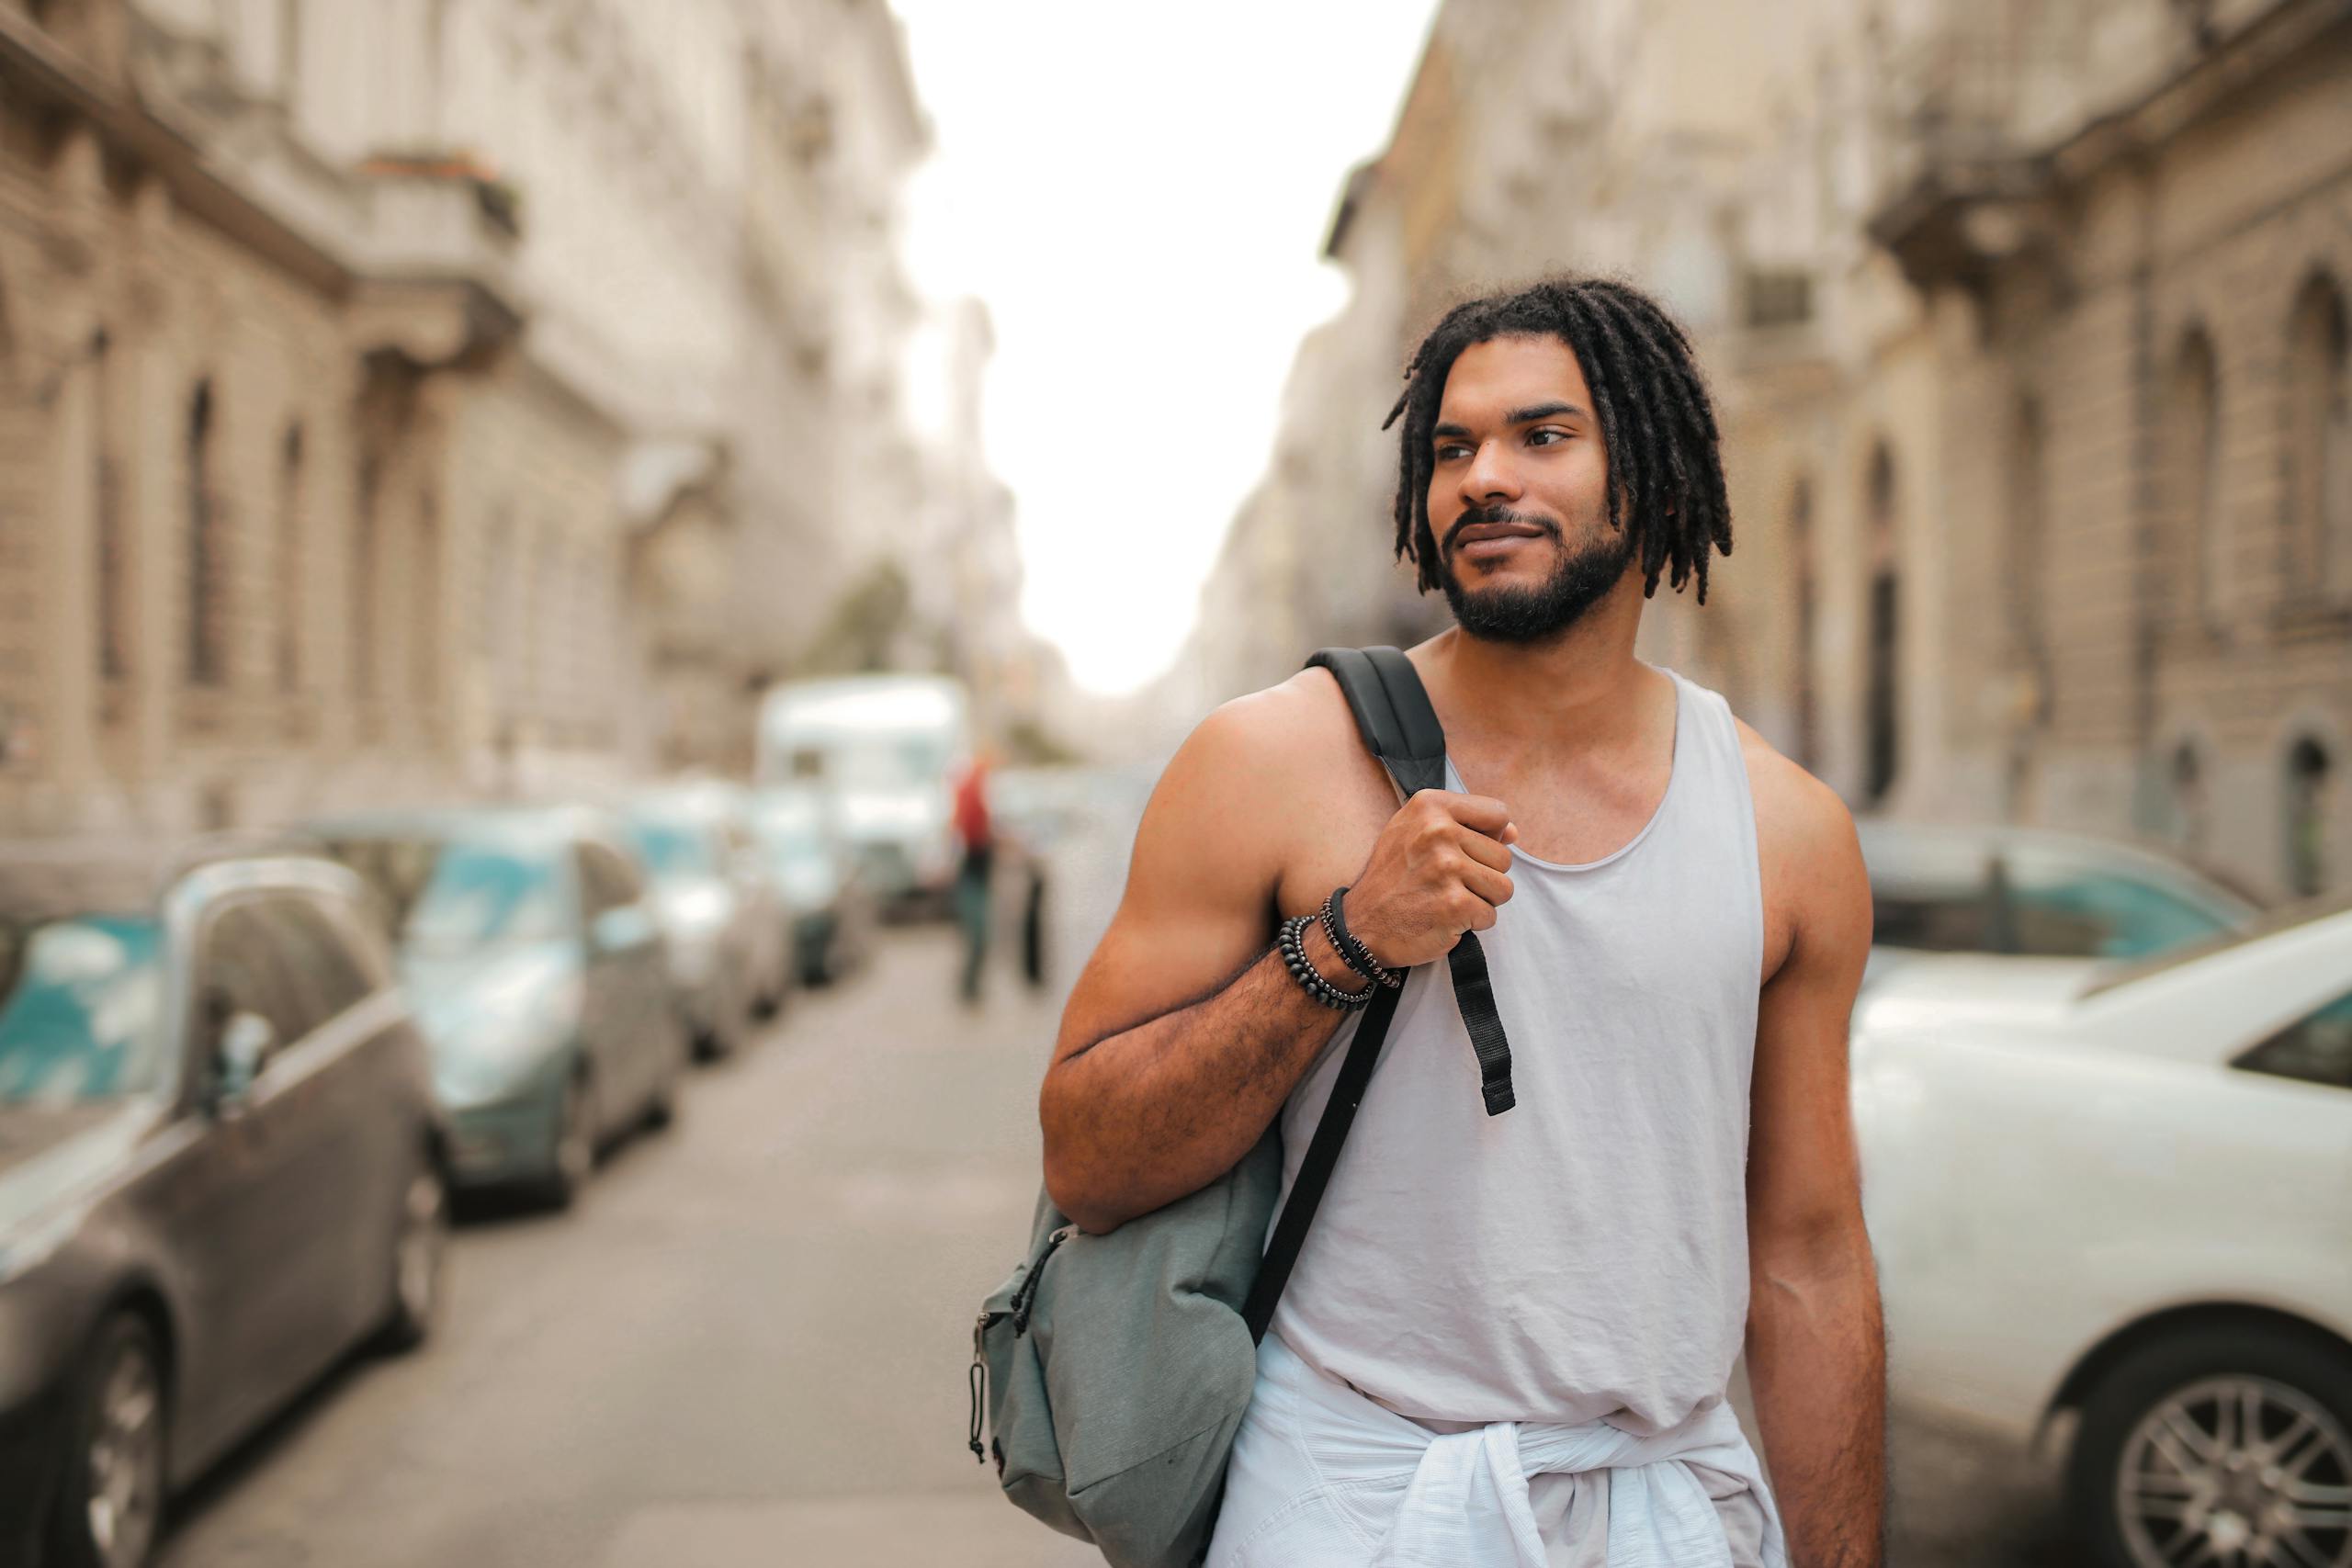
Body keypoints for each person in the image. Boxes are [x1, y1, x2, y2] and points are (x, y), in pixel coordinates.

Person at [1039, 276, 1884, 1566]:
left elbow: (1810, 1258)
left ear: (1649, 476)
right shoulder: (1268, 761)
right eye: (1451, 447)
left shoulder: (1791, 831)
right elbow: (1089, 1155)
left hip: (1658, 1505)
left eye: (1542, 437)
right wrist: (1342, 944)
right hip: (1350, 1492)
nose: (1483, 475)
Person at [951, 748, 995, 1005]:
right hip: (972, 869)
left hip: (975, 868)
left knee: (978, 934)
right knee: (977, 933)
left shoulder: (973, 794)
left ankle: (971, 987)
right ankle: (969, 988)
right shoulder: (970, 793)